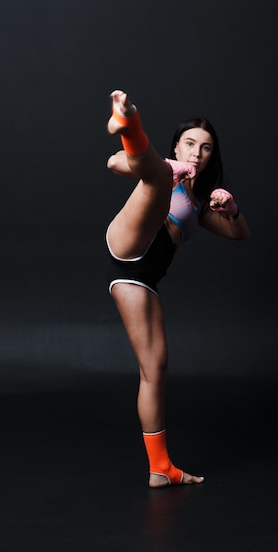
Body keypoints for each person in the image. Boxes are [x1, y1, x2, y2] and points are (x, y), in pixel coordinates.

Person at [105, 89, 250, 487]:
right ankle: (128, 122)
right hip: (127, 243)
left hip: (142, 276)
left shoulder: (199, 204)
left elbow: (241, 234)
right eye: (190, 143)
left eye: (205, 148)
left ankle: (160, 468)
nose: (197, 152)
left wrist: (230, 207)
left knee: (155, 371)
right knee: (157, 178)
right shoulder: (167, 170)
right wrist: (166, 166)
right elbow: (115, 161)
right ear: (176, 145)